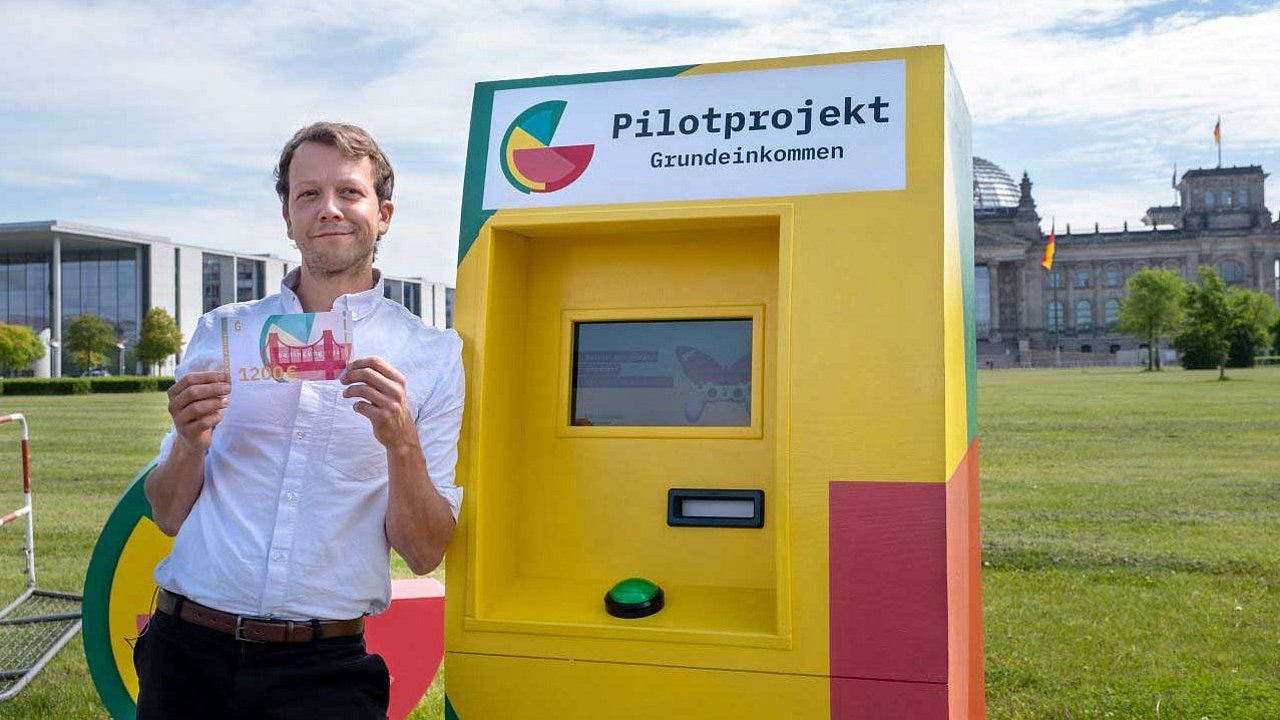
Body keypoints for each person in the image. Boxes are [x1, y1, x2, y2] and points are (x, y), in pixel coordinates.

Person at [134, 122, 463, 720]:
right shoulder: (225, 332)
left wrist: (402, 443)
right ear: (288, 216)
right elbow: (167, 512)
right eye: (307, 194)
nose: (328, 209)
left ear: (383, 214)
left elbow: (424, 553)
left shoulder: (434, 356)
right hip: (186, 651)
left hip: (325, 673)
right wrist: (188, 442)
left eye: (349, 193)